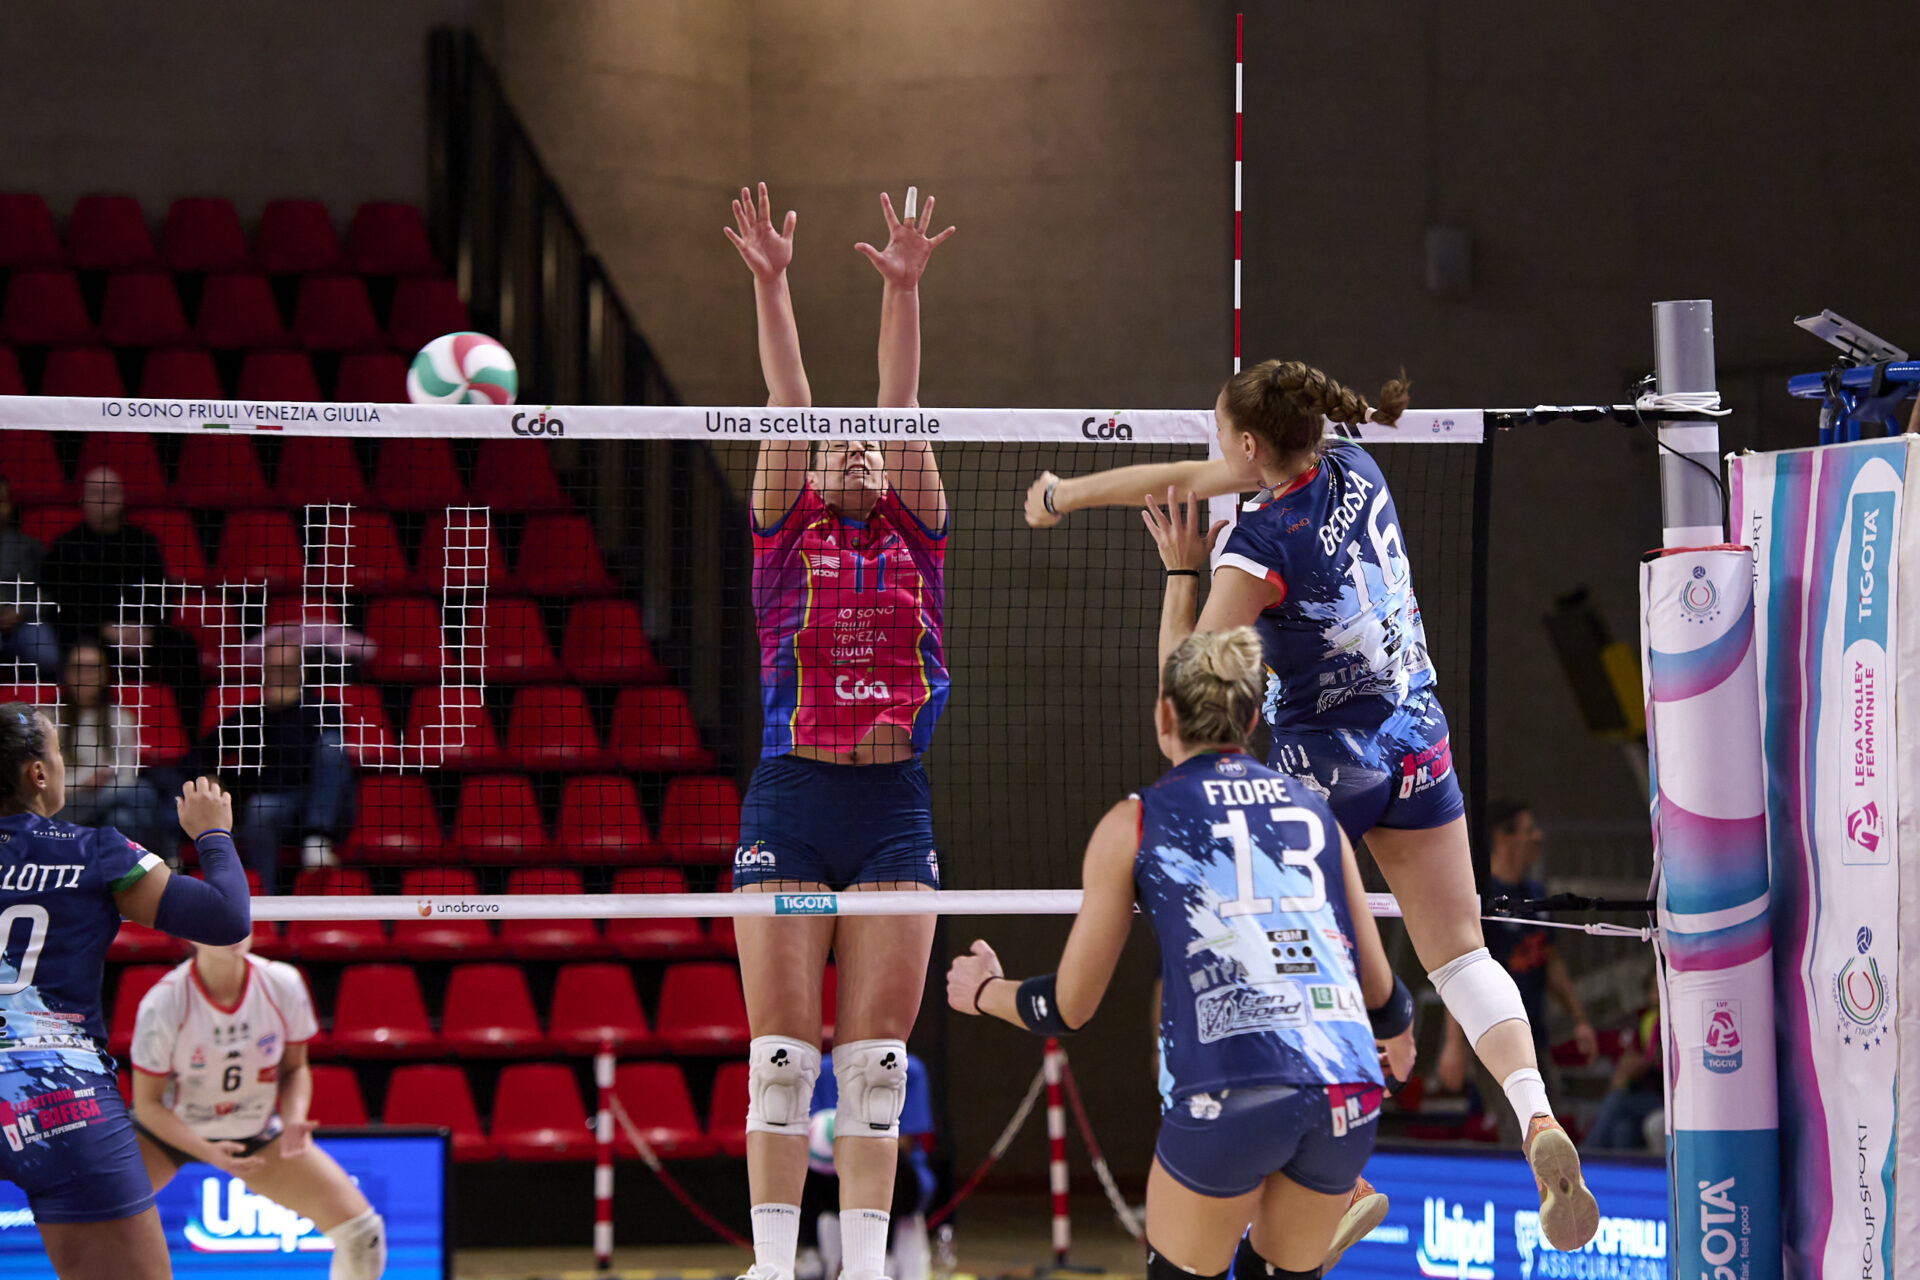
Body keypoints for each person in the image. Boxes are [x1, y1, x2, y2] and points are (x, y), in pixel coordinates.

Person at [1027, 360, 1599, 1251]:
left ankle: (1343, 1181)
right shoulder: (1351, 463)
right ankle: (1535, 1115)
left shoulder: (1260, 546)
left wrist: (1181, 571)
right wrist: (1065, 493)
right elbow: (1184, 476)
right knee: (1459, 954)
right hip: (1415, 731)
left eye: (1222, 433)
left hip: (1327, 762)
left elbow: (1189, 694)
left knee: (1284, 956)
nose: (1214, 449)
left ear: (1252, 445)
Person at [947, 628, 1415, 1280]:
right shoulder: (1314, 812)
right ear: (1251, 720)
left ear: (1163, 715)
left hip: (1231, 1088)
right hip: (1346, 1086)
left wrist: (981, 990)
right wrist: (1400, 1036)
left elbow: (1067, 1007)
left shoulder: (1137, 821)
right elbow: (1384, 996)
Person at [723, 181, 955, 1280]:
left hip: (892, 807)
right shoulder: (784, 536)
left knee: (873, 1071)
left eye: (870, 446)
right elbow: (790, 398)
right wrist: (773, 281)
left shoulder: (918, 535)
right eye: (837, 445)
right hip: (791, 802)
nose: (858, 448)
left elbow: (899, 401)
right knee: (781, 1063)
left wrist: (903, 289)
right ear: (811, 471)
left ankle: (864, 1270)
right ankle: (774, 1265)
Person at [0, 705, 249, 1279]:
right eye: (58, 755)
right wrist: (212, 833)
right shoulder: (94, 850)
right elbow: (227, 919)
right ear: (38, 774)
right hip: (59, 1097)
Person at [129, 936, 385, 1278]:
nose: (233, 931)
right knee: (93, 1223)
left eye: (241, 920)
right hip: (169, 1132)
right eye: (220, 922)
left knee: (363, 1235)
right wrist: (209, 1152)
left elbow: (294, 1069)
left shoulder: (283, 983)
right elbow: (147, 1105)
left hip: (255, 1129)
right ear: (190, 933)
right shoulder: (164, 1001)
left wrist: (294, 1119)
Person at [1435, 800, 1597, 1144]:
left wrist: (1579, 1019)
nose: (1538, 836)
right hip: (1494, 1038)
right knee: (1519, 1133)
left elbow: (1550, 962)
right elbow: (1459, 972)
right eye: (1529, 830)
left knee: (1553, 1131)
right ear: (1503, 838)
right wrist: (1452, 1045)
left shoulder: (1535, 896)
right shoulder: (1479, 897)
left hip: (1536, 1035)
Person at [39, 468, 203, 731]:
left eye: (110, 492)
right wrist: (104, 629)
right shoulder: (64, 546)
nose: (103, 499)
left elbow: (160, 594)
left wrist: (147, 628)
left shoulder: (143, 542)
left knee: (183, 646)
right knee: (74, 649)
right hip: (90, 634)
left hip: (140, 633)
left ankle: (188, 734)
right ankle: (76, 733)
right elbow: (62, 605)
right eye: (95, 492)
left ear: (122, 498)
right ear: (82, 499)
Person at [183, 642, 354, 892]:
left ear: (301, 672)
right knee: (259, 808)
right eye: (272, 670)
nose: (278, 677)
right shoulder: (252, 716)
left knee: (331, 744)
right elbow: (198, 753)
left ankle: (317, 838)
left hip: (323, 804)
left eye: (285, 669)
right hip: (277, 804)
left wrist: (289, 707)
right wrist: (207, 777)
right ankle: (265, 897)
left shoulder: (324, 710)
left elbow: (332, 764)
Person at [797, 1052, 937, 1280]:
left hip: (894, 1174)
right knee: (801, 1163)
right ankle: (812, 1251)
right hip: (833, 1172)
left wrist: (858, 1143)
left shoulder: (907, 1068)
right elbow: (811, 1131)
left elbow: (906, 1142)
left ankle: (884, 1256)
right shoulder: (821, 1069)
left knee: (890, 1162)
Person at [53, 640, 169, 858]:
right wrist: (85, 781)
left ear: (104, 674)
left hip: (110, 800)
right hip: (66, 804)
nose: (85, 675)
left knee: (123, 818)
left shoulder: (122, 719)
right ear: (66, 673)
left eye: (92, 668)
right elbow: (46, 783)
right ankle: (164, 858)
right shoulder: (48, 719)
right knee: (143, 792)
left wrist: (103, 782)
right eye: (78, 668)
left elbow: (127, 777)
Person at [1583, 965, 1663, 1153]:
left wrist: (1643, 1064)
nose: (1654, 996)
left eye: (1658, 989)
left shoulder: (1676, 1020)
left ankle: (1586, 1154)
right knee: (1622, 1131)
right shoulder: (1648, 1020)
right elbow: (1634, 1058)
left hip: (1664, 1098)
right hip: (1644, 1094)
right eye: (1651, 990)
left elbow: (1658, 1061)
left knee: (1617, 1100)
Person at [0, 478, 61, 681]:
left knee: (46, 656)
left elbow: (50, 594)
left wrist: (21, 611)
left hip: (25, 623)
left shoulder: (31, 548)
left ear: (10, 505)